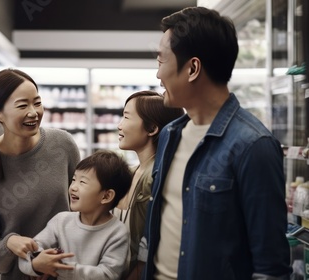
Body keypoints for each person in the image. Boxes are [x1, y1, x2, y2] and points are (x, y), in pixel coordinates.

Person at [143, 6, 292, 280]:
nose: (157, 75)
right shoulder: (170, 135)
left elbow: (270, 266)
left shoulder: (253, 146)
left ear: (193, 68)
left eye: (161, 61)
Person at [0, 68, 81, 280]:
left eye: (37, 102)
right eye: (22, 105)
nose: (33, 112)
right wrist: (9, 243)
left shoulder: (62, 145)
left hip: (72, 271)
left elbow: (85, 211)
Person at [19, 149, 132, 280]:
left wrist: (56, 267)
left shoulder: (117, 233)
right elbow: (28, 253)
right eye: (74, 179)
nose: (73, 187)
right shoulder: (61, 221)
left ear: (106, 196)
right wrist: (36, 265)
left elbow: (108, 274)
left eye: (82, 182)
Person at [115, 90, 184, 279]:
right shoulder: (135, 171)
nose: (119, 126)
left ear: (152, 128)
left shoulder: (155, 176)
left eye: (126, 117)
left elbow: (153, 244)